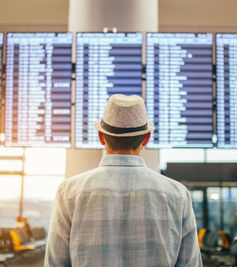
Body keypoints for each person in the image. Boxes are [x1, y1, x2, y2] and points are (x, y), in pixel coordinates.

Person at [45, 94, 202, 267]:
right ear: (146, 139)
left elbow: (55, 263)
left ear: (101, 137)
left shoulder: (69, 192)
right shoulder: (178, 195)